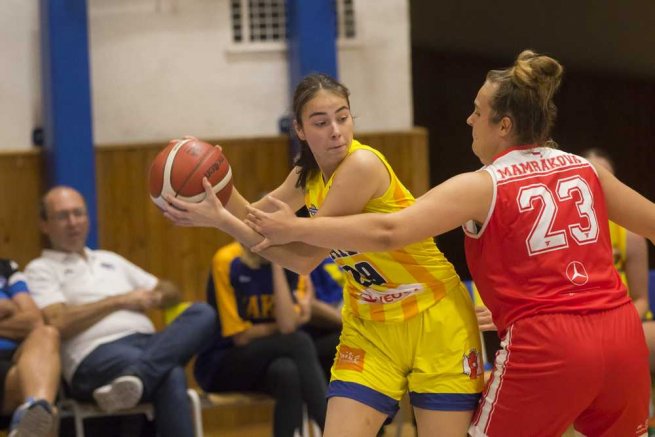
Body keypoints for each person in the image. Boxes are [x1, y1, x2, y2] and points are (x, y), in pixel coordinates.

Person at [244, 51, 655, 436]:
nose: (468, 119)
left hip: (547, 342)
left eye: (477, 112)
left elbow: (390, 231)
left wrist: (294, 228)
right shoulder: (587, 170)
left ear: (505, 126)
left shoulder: (482, 185)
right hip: (620, 334)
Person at [162, 73, 484, 437]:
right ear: (299, 130)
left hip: (432, 315)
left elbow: (303, 259)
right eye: (320, 122)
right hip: (372, 324)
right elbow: (258, 219)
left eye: (343, 117)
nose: (336, 131)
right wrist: (217, 185)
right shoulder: (306, 173)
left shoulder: (361, 166)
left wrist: (222, 221)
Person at [25, 186, 217, 437]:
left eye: (78, 213)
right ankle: (139, 376)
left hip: (148, 345)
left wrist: (156, 296)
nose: (73, 222)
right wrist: (120, 301)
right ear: (44, 225)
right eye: (62, 216)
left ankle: (137, 378)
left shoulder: (109, 259)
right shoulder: (41, 269)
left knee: (203, 313)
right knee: (170, 373)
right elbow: (58, 321)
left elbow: (170, 291)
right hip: (94, 356)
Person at [194, 240, 327, 437]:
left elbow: (287, 326)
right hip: (222, 362)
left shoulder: (292, 262)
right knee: (299, 342)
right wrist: (282, 326)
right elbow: (240, 337)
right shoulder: (228, 260)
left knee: (287, 371)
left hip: (270, 360)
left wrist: (276, 263)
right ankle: (332, 429)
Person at [0, 258, 60, 437]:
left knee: (46, 334)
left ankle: (32, 411)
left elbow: (33, 321)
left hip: (13, 364)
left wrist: (8, 306)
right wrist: (11, 309)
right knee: (50, 413)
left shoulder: (6, 268)